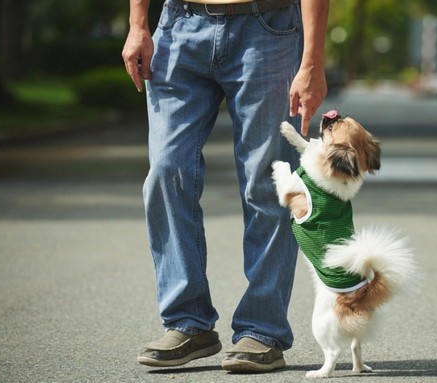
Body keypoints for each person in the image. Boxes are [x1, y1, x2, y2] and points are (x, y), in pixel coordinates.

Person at [122, 0, 329, 372]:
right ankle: (189, 322)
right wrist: (138, 24)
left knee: (267, 183)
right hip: (179, 26)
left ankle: (263, 329)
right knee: (166, 172)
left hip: (268, 29)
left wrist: (311, 60)